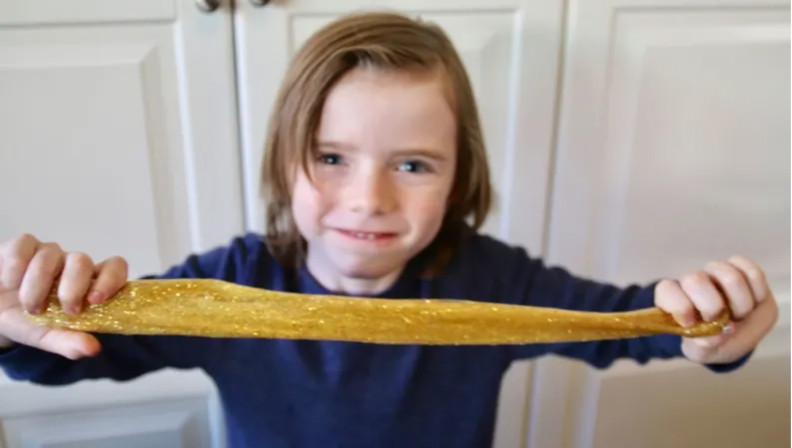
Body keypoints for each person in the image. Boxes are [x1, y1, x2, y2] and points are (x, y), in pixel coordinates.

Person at [0, 11, 778, 448]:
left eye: (413, 165)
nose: (368, 198)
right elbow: (79, 354)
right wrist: (22, 327)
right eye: (332, 156)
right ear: (282, 165)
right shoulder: (228, 286)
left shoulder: (497, 281)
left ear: (460, 179)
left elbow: (625, 324)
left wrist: (705, 329)